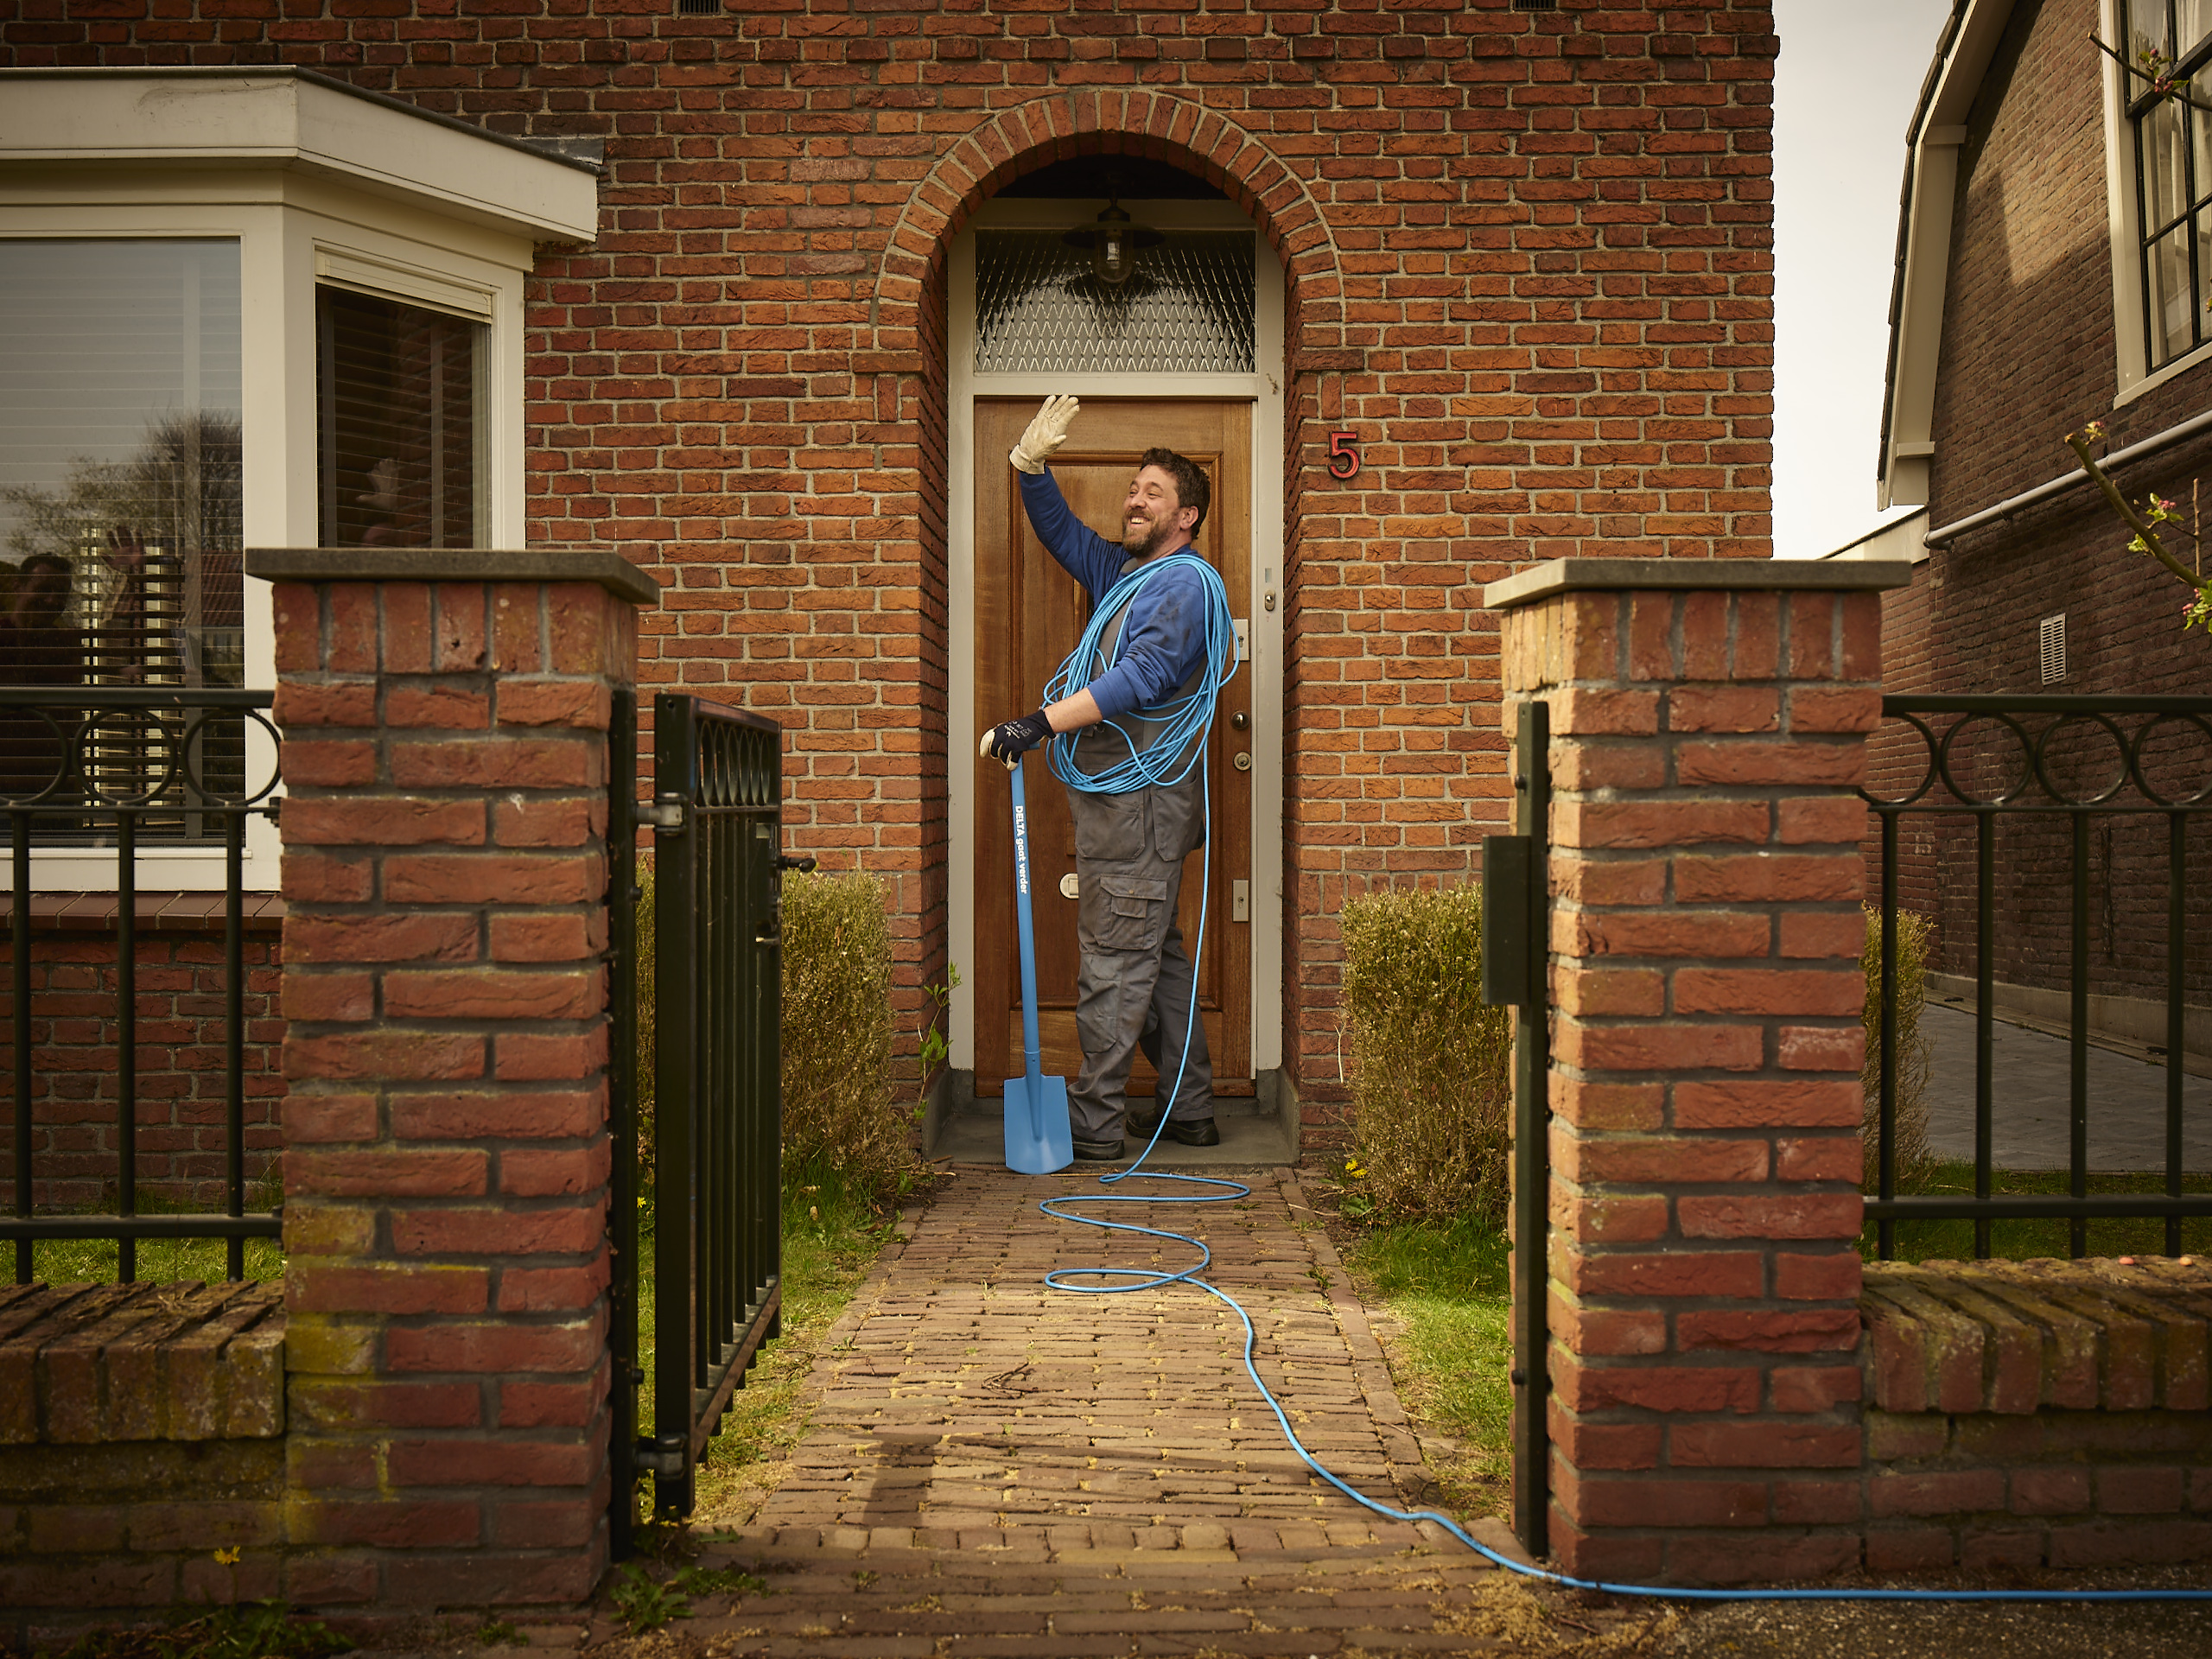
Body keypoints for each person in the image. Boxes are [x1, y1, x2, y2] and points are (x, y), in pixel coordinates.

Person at [981, 395, 1222, 1161]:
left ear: (1186, 515)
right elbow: (1063, 537)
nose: (1134, 500)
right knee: (1157, 952)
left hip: (1140, 801)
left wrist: (1039, 723)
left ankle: (1092, 1125)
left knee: (1117, 956)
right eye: (1133, 488)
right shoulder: (1129, 574)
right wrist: (1030, 470)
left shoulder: (1181, 585)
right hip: (1131, 804)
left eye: (1153, 492)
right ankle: (1190, 1109)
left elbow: (1145, 675)